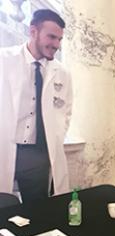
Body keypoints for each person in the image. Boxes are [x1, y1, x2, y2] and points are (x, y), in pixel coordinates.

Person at [0, 9, 73, 203]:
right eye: (51, 37)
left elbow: (66, 112)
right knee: (4, 210)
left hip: (37, 155)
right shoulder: (4, 60)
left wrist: (56, 134)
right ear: (33, 32)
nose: (56, 45)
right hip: (5, 147)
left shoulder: (62, 73)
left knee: (38, 211)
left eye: (59, 39)